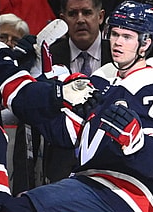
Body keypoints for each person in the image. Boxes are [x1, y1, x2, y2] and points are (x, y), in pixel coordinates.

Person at [0, 1, 153, 212]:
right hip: (90, 183)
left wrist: (136, 143)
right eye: (114, 34)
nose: (117, 43)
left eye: (127, 37)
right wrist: (39, 78)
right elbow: (64, 133)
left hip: (127, 192)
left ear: (146, 43)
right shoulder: (103, 78)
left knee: (17, 209)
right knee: (15, 207)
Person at [44, 0, 112, 183]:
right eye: (73, 14)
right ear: (62, 20)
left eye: (87, 13)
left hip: (109, 159)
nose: (80, 20)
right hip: (59, 159)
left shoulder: (119, 55)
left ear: (100, 16)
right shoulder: (48, 57)